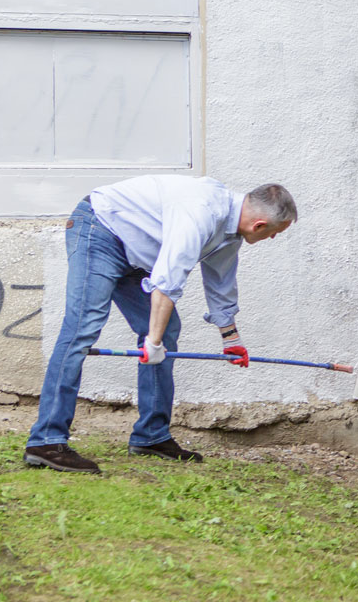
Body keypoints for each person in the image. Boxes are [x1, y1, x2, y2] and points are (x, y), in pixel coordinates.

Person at [24, 176, 297, 474]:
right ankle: (46, 441)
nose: (272, 239)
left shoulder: (230, 232)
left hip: (135, 254)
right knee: (82, 329)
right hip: (99, 231)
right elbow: (167, 282)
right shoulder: (202, 211)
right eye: (274, 233)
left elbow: (221, 284)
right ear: (259, 225)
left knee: (165, 332)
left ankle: (151, 436)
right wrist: (152, 344)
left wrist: (230, 337)